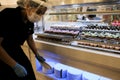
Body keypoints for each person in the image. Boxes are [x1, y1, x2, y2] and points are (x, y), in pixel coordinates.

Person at [0, 0, 52, 80]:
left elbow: (30, 39)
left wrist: (37, 54)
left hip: (16, 49)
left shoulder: (29, 20)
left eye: (42, 13)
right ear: (28, 6)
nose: (39, 16)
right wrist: (14, 65)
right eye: (38, 12)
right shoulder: (8, 15)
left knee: (29, 74)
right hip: (3, 52)